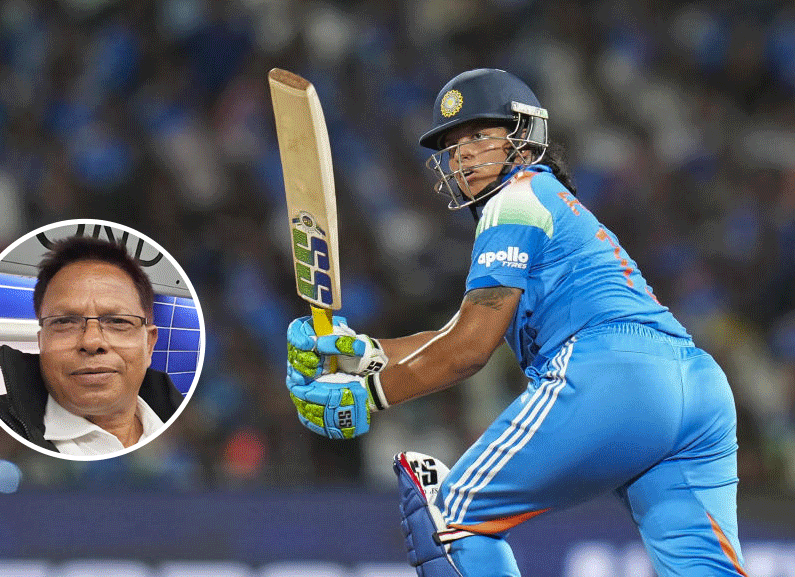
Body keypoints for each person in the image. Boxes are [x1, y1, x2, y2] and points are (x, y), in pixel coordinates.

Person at [285, 69, 747, 576]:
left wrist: (372, 394)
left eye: (479, 135)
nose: (462, 154)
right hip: (697, 387)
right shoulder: (548, 206)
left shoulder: (514, 200)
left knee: (451, 517)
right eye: (453, 145)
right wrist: (362, 351)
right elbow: (453, 336)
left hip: (612, 374)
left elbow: (468, 350)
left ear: (524, 142)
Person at [0, 236, 183, 456]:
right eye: (65, 322)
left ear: (149, 344)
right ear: (41, 342)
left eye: (117, 322)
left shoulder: (187, 432)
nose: (92, 342)